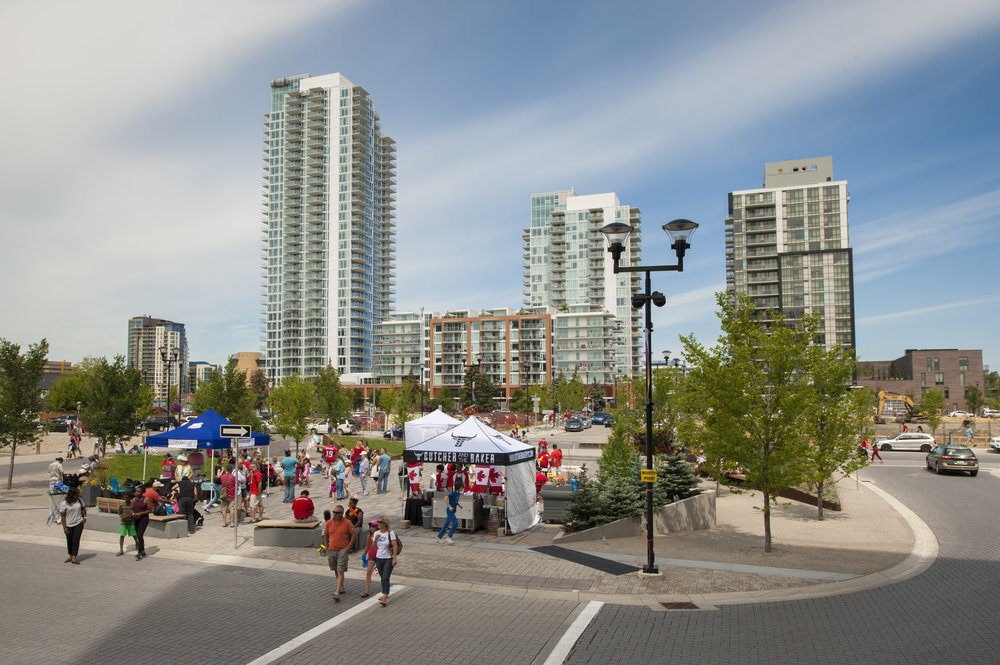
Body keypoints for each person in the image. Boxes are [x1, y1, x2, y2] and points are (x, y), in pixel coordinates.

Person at [323, 504, 356, 601]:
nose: (334, 514)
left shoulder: (347, 523)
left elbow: (353, 535)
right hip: (332, 549)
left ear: (342, 513)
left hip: (342, 549)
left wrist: (348, 547)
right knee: (336, 570)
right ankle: (341, 586)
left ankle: (337, 592)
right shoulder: (329, 523)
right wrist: (326, 546)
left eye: (337, 513)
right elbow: (325, 535)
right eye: (333, 512)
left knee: (340, 570)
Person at [372, 515, 399, 606]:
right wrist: (375, 539)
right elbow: (373, 547)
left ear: (384, 524)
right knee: (382, 576)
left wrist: (394, 558)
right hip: (379, 557)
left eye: (380, 522)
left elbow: (394, 546)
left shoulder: (390, 533)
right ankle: (385, 592)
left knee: (385, 577)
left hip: (388, 557)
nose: (378, 524)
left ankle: (384, 597)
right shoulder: (376, 533)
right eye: (378, 522)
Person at [59, 486, 87, 564]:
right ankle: (70, 555)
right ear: (72, 495)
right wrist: (65, 527)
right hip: (68, 524)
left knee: (76, 540)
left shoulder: (80, 500)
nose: (78, 495)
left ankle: (74, 557)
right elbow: (63, 516)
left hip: (78, 523)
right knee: (69, 540)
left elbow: (84, 509)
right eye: (77, 494)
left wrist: (85, 517)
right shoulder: (64, 503)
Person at [436, 478, 463, 544]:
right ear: (459, 487)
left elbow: (455, 501)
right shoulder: (453, 493)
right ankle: (448, 537)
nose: (462, 488)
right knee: (455, 523)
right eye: (461, 487)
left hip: (453, 511)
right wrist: (449, 506)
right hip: (450, 510)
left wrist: (459, 505)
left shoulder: (458, 494)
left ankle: (438, 537)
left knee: (446, 524)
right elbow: (445, 498)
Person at [131, 485, 152, 561]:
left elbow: (150, 510)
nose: (136, 493)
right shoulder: (134, 500)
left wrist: (141, 513)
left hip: (144, 519)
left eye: (138, 492)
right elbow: (131, 508)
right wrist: (133, 513)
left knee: (140, 535)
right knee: (138, 535)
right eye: (136, 491)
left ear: (142, 492)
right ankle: (143, 550)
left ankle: (139, 553)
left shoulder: (146, 500)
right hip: (136, 519)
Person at [360, 520, 379, 598]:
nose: (372, 528)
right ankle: (367, 591)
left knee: (382, 573)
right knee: (368, 572)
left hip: (379, 556)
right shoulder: (369, 536)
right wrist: (364, 554)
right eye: (371, 526)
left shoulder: (380, 536)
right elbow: (367, 546)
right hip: (371, 556)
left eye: (374, 526)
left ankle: (385, 590)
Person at [117, 492, 137, 556]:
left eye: (127, 498)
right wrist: (122, 516)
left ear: (130, 499)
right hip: (123, 523)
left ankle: (137, 543)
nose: (126, 499)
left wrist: (128, 516)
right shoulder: (122, 505)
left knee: (134, 535)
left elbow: (134, 514)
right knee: (122, 535)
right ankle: (121, 549)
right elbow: (119, 512)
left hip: (131, 522)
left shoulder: (133, 505)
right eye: (125, 498)